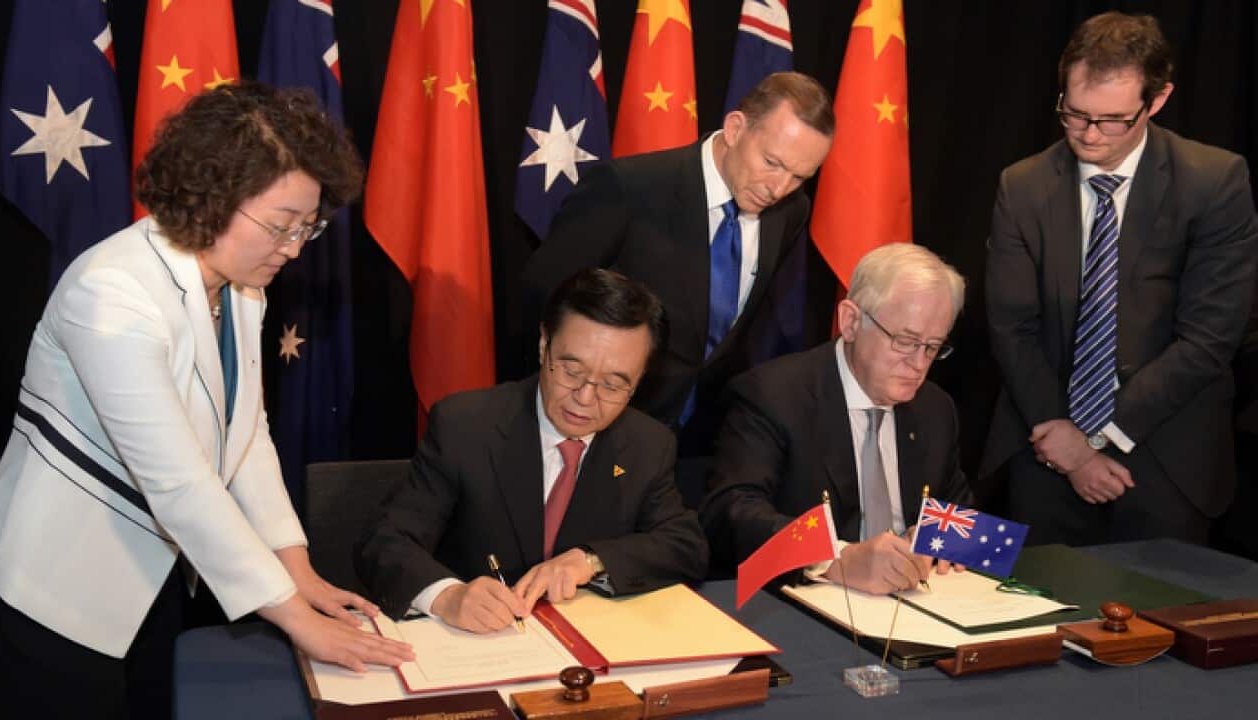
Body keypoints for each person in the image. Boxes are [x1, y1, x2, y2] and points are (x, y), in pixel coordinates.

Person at [0, 83, 412, 720]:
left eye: (307, 228)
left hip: (149, 578)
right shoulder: (112, 292)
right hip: (51, 588)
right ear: (212, 200)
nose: (293, 248)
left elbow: (247, 436)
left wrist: (298, 569)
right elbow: (177, 480)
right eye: (281, 226)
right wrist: (295, 617)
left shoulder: (239, 288)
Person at [981, 11, 1258, 545]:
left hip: (1166, 455)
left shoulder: (1213, 181)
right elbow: (1012, 327)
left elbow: (1209, 338)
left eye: (1111, 120)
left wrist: (1103, 435)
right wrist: (1064, 440)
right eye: (1074, 113)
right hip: (1046, 446)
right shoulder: (1023, 185)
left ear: (1157, 101)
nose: (1088, 134)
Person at [356, 269, 708, 633]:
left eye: (612, 385)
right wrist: (447, 596)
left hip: (586, 648)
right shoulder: (467, 426)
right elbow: (386, 540)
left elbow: (684, 544)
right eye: (572, 371)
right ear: (544, 346)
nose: (586, 399)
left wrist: (591, 560)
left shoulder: (647, 444)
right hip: (476, 644)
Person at [522, 72, 835, 455]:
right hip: (594, 430)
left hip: (693, 444)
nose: (778, 188)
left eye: (798, 176)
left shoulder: (790, 212)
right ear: (736, 128)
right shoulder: (628, 189)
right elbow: (543, 298)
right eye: (772, 162)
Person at [699, 244, 972, 595]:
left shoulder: (935, 409)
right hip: (802, 606)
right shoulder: (774, 395)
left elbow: (962, 513)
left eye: (933, 347)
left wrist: (940, 538)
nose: (919, 364)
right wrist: (835, 558)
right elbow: (730, 514)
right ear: (851, 321)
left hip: (913, 605)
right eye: (905, 341)